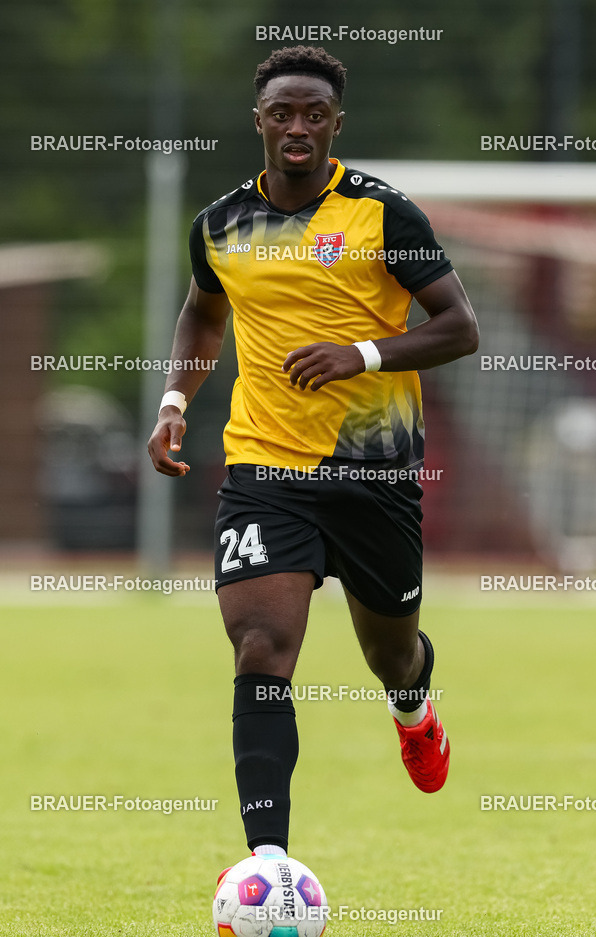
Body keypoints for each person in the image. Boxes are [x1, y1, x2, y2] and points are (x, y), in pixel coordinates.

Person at [147, 46, 479, 862]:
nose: (298, 127)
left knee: (391, 654)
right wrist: (174, 401)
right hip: (264, 469)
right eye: (282, 113)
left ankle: (413, 712)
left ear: (336, 123)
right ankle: (268, 863)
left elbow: (459, 328)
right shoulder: (220, 225)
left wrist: (360, 353)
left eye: (314, 115)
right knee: (260, 648)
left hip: (374, 473)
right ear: (258, 120)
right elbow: (202, 313)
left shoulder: (382, 214)